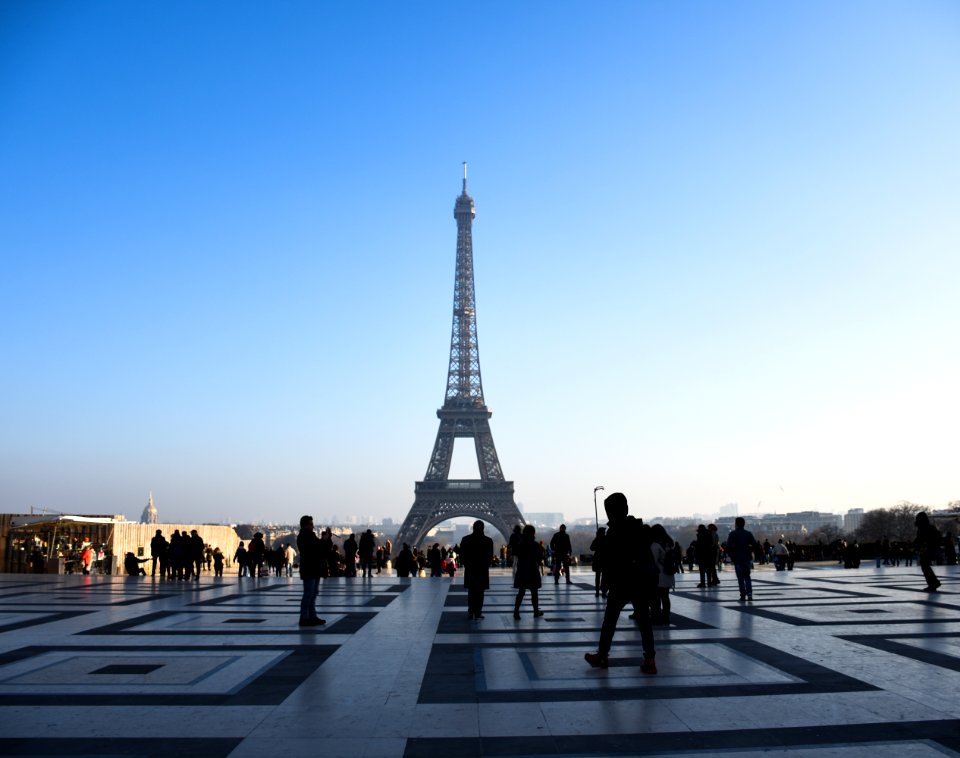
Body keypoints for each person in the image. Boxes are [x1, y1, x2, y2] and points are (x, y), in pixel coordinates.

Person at [584, 492, 657, 674]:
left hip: (621, 581)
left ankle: (602, 655)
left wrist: (601, 539)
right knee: (644, 622)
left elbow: (600, 557)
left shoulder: (614, 532)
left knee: (610, 621)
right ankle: (650, 659)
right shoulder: (639, 529)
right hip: (639, 581)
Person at [460, 521, 494, 619]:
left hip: (471, 569)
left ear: (473, 527)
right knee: (480, 592)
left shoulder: (466, 539)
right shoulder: (488, 541)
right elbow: (490, 557)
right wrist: (485, 565)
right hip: (482, 570)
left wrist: (467, 564)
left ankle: (471, 611)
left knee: (471, 592)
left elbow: (462, 556)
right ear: (483, 528)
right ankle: (478, 612)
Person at [296, 515, 326, 626]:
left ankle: (311, 616)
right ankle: (304, 617)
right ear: (305, 525)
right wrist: (323, 541)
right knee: (309, 594)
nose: (313, 526)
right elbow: (314, 549)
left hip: (313, 568)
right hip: (309, 568)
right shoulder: (304, 537)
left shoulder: (310, 536)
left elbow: (320, 548)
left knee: (312, 594)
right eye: (311, 524)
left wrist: (325, 540)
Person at [513, 524, 544, 619]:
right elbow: (539, 558)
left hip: (522, 570)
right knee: (534, 592)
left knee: (521, 592)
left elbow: (516, 554)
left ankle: (516, 611)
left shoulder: (520, 545)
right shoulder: (536, 545)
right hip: (532, 570)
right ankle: (535, 611)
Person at [649, 524, 676, 625]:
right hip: (668, 573)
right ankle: (666, 617)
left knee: (656, 597)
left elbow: (654, 561)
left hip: (659, 573)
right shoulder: (669, 543)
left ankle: (656, 617)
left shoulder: (655, 545)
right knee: (665, 597)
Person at [726, 517, 757, 601]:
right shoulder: (748, 533)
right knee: (747, 576)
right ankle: (749, 593)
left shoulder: (732, 534)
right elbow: (754, 545)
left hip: (737, 558)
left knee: (740, 578)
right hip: (746, 558)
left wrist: (732, 555)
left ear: (736, 524)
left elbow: (728, 547)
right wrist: (749, 550)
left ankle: (743, 595)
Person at [915, 512, 942, 592]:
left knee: (925, 566)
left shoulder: (922, 528)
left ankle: (933, 583)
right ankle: (933, 583)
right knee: (925, 566)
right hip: (931, 549)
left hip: (927, 549)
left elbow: (920, 539)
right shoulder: (930, 527)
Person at [590, 527, 607, 598]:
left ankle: (597, 591)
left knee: (597, 577)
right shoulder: (606, 539)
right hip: (604, 559)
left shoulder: (597, 539)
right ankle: (603, 592)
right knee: (604, 577)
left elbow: (591, 548)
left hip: (597, 559)